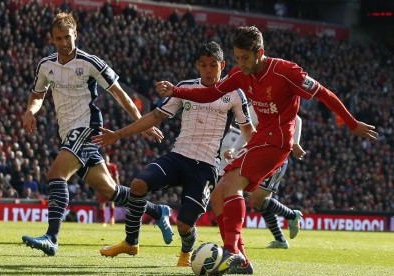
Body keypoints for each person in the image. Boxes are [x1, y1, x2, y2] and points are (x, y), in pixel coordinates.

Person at [156, 26, 378, 274]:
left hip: (278, 141)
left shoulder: (286, 72)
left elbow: (324, 94)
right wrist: (175, 90)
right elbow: (211, 94)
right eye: (237, 57)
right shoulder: (241, 73)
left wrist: (352, 123)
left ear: (260, 52)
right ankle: (242, 261)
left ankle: (231, 251)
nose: (241, 63)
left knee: (231, 186)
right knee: (218, 194)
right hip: (260, 139)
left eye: (245, 58)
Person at [21, 11, 173, 257]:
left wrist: (141, 123)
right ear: (52, 39)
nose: (64, 43)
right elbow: (38, 94)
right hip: (67, 132)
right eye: (58, 38)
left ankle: (51, 237)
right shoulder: (46, 65)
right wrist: (30, 111)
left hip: (87, 127)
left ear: (75, 35)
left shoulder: (90, 63)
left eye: (67, 37)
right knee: (110, 191)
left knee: (56, 174)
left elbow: (121, 95)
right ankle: (158, 211)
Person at [92, 41, 255, 266]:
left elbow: (248, 130)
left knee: (184, 225)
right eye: (204, 65)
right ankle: (131, 243)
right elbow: (155, 116)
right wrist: (118, 134)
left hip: (206, 166)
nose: (209, 70)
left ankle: (186, 252)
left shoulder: (235, 95)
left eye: (213, 65)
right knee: (138, 184)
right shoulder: (185, 87)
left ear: (223, 65)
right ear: (198, 65)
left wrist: (260, 151)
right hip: (178, 156)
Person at [220, 111, 306, 250]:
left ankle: (292, 216)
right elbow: (246, 129)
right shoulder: (253, 105)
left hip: (276, 156)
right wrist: (233, 148)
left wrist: (295, 143)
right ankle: (281, 238)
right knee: (258, 201)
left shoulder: (268, 100)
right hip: (257, 154)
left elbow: (297, 119)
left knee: (257, 199)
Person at [98, 153, 119, 226]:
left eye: (107, 158)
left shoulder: (113, 166)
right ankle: (103, 221)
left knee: (111, 203)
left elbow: (116, 177)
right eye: (105, 158)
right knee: (102, 204)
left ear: (109, 159)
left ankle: (112, 219)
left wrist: (118, 186)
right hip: (103, 187)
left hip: (111, 187)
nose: (106, 160)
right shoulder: (101, 167)